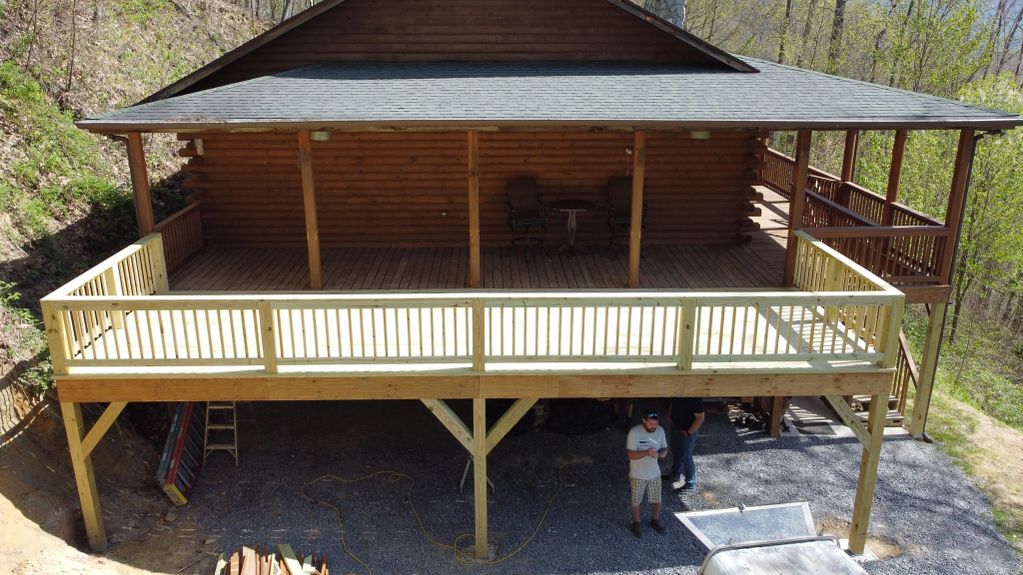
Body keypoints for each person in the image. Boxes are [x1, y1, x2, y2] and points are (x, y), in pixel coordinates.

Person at [626, 408, 668, 537]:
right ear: (644, 421)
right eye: (651, 424)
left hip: (654, 473)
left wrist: (663, 453)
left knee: (657, 500)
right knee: (636, 501)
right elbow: (630, 455)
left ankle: (655, 519)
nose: (653, 426)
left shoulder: (660, 430)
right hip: (637, 474)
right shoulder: (634, 432)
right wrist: (646, 452)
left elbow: (664, 447)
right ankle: (637, 522)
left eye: (655, 423)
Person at [664, 397, 705, 491]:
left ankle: (691, 484)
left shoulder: (695, 398)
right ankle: (675, 474)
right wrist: (670, 416)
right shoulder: (678, 393)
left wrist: (689, 432)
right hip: (676, 428)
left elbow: (700, 418)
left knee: (686, 457)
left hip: (687, 431)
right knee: (676, 452)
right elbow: (673, 403)